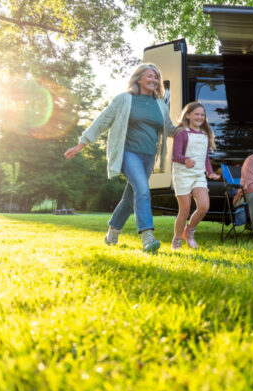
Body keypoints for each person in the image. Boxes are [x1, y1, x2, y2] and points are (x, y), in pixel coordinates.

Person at [64, 63, 177, 253]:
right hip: (128, 153)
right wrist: (80, 144)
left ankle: (112, 232)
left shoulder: (160, 105)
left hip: (149, 156)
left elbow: (170, 129)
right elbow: (102, 121)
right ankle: (147, 237)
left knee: (130, 197)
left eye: (156, 77)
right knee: (143, 191)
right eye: (150, 76)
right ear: (139, 78)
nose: (154, 80)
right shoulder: (124, 99)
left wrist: (193, 128)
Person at [171, 102, 220, 249]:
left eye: (202, 115)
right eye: (196, 114)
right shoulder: (181, 133)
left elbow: (205, 157)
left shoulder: (205, 135)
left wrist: (210, 172)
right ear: (187, 115)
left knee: (204, 206)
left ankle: (189, 231)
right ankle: (177, 239)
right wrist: (185, 160)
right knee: (184, 210)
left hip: (198, 175)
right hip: (182, 174)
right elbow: (175, 155)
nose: (200, 117)